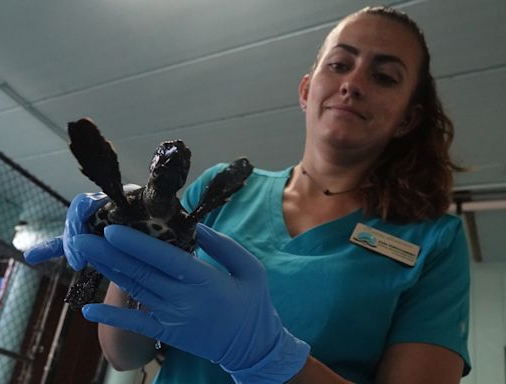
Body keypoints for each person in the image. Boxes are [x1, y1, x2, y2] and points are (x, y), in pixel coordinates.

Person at [25, 6, 471, 384]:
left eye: (385, 76)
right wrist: (129, 242)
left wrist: (270, 357)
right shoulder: (226, 192)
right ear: (305, 89)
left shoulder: (434, 239)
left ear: (408, 119)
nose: (353, 83)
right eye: (339, 64)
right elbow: (126, 353)